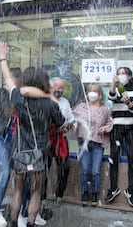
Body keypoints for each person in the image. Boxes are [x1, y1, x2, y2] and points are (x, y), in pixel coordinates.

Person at [0, 43, 65, 227]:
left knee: (18, 189)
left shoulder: (19, 99)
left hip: (20, 151)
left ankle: (12, 222)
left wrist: (3, 58)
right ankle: (30, 223)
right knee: (36, 191)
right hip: (39, 153)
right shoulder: (51, 103)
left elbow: (8, 78)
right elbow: (61, 124)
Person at [105, 66, 133, 207]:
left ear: (129, 77)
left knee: (132, 157)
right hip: (117, 127)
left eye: (124, 74)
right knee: (114, 156)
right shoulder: (116, 88)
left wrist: (129, 103)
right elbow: (111, 97)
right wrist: (114, 83)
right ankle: (113, 187)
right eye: (119, 73)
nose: (121, 76)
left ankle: (131, 190)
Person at [73, 83, 112, 207]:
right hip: (84, 141)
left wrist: (105, 129)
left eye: (95, 91)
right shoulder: (81, 107)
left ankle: (95, 193)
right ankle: (85, 192)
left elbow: (111, 123)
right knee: (85, 169)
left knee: (95, 170)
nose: (92, 93)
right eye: (90, 91)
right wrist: (74, 124)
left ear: (100, 94)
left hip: (98, 143)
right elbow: (72, 117)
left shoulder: (105, 108)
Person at [43, 77, 75, 208]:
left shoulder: (65, 102)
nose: (60, 90)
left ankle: (59, 195)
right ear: (51, 87)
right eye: (58, 88)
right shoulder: (43, 101)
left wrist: (70, 125)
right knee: (44, 169)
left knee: (64, 168)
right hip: (46, 139)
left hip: (61, 139)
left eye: (62, 88)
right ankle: (41, 198)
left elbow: (70, 118)